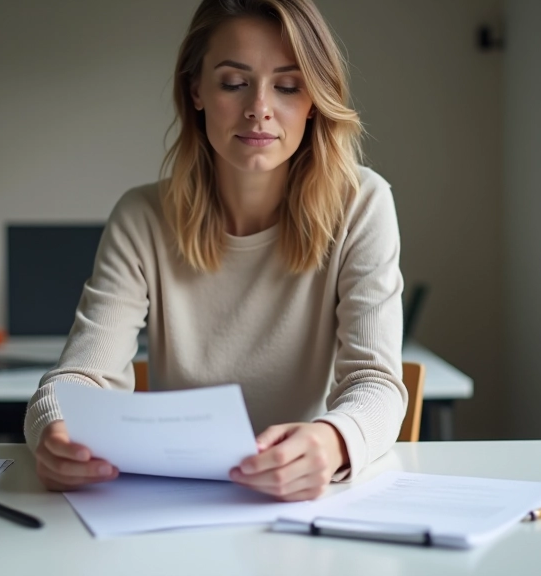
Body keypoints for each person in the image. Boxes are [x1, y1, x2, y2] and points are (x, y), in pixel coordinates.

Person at [24, 0, 405, 502]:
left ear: (314, 100)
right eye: (233, 82)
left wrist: (334, 441)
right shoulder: (142, 216)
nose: (260, 109)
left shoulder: (362, 203)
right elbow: (76, 377)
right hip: (172, 497)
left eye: (288, 86)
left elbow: (376, 382)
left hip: (300, 504)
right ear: (196, 90)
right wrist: (55, 430)